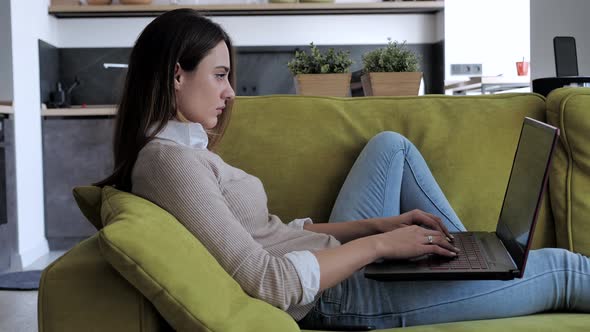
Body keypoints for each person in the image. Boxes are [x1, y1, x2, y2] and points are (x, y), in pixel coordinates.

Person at [96, 9, 590, 330]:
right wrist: (377, 246)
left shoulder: (184, 150)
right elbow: (270, 282)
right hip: (336, 298)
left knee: (390, 147)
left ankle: (476, 269)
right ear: (175, 75)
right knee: (564, 269)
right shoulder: (169, 163)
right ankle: (482, 277)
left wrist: (378, 225)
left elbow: (271, 233)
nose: (230, 93)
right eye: (220, 75)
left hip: (337, 260)